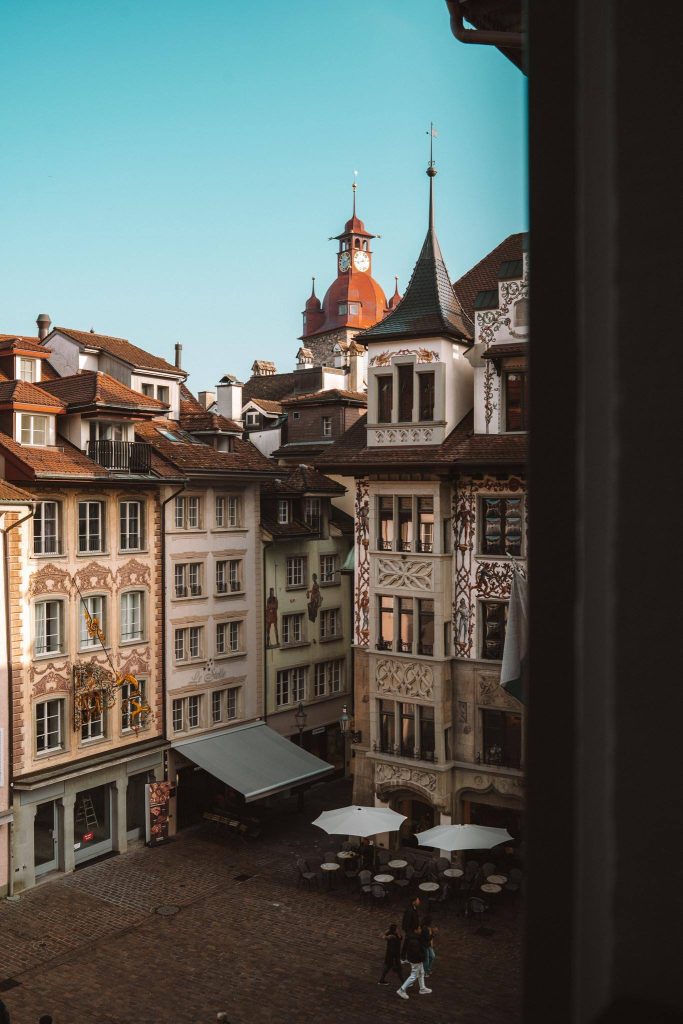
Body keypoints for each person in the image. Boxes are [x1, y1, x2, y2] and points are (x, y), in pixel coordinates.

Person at [396, 926, 432, 999]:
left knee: (421, 972)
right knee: (413, 976)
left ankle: (422, 988)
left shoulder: (416, 938)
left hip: (416, 960)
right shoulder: (416, 941)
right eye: (419, 928)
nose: (420, 929)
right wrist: (422, 958)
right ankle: (401, 990)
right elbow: (416, 952)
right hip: (416, 960)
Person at [400, 895, 421, 961]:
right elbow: (407, 922)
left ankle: (406, 956)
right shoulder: (409, 910)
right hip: (410, 931)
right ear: (413, 902)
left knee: (408, 943)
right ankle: (403, 957)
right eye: (418, 900)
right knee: (407, 943)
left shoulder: (414, 908)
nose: (419, 901)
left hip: (413, 930)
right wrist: (410, 931)